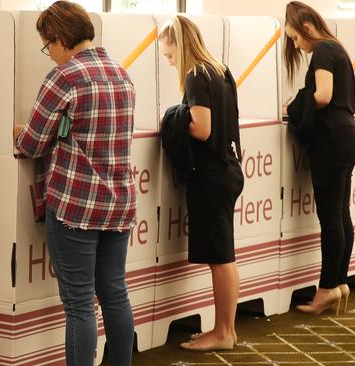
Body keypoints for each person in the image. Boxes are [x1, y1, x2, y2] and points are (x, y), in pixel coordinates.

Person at [13, 1, 136, 365]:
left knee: (80, 303)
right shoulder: (120, 72)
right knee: (114, 292)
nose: (49, 54)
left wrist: (18, 132)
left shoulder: (65, 77)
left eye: (47, 45)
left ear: (61, 38)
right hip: (119, 202)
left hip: (76, 203)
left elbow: (32, 143)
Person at [158, 15, 244, 351]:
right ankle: (227, 330)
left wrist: (171, 117)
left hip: (210, 174)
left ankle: (222, 333)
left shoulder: (195, 73)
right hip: (228, 167)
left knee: (220, 258)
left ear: (181, 46)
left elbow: (202, 128)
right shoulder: (220, 70)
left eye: (169, 56)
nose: (169, 63)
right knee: (225, 256)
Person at [284, 1, 355, 315]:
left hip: (331, 138)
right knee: (341, 214)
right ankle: (339, 282)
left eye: (294, 38)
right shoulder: (338, 49)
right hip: (348, 135)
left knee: (330, 217)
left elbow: (323, 95)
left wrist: (294, 105)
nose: (295, 44)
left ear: (305, 28)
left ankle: (327, 289)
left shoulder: (323, 52)